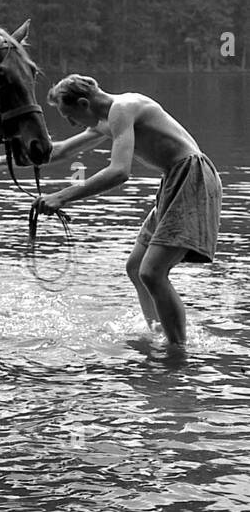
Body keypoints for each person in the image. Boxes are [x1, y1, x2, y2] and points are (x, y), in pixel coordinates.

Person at [40, 74, 222, 348]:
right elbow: (61, 151)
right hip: (173, 179)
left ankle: (177, 349)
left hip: (190, 176)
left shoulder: (123, 108)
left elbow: (119, 171)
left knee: (152, 272)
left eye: (69, 116)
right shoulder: (108, 120)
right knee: (136, 267)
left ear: (83, 103)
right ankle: (158, 333)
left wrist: (62, 196)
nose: (71, 123)